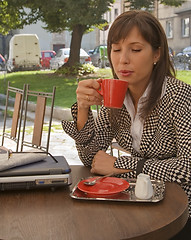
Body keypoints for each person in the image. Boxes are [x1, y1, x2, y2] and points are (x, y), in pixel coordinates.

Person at [62, 10, 191, 239]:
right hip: (139, 202)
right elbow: (93, 158)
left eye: (136, 49)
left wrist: (123, 164)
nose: (123, 59)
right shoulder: (116, 95)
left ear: (156, 54)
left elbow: (187, 168)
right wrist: (83, 109)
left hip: (179, 211)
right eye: (116, 49)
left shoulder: (179, 96)